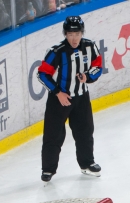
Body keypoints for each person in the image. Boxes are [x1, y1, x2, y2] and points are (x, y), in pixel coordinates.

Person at [37, 15, 102, 182]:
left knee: (85, 131)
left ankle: (87, 163)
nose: (74, 38)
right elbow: (43, 74)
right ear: (65, 34)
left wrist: (87, 77)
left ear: (82, 33)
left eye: (77, 34)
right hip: (59, 100)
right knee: (53, 135)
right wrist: (58, 92)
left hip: (81, 97)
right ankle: (48, 169)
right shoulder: (57, 51)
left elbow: (98, 66)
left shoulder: (90, 46)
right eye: (71, 34)